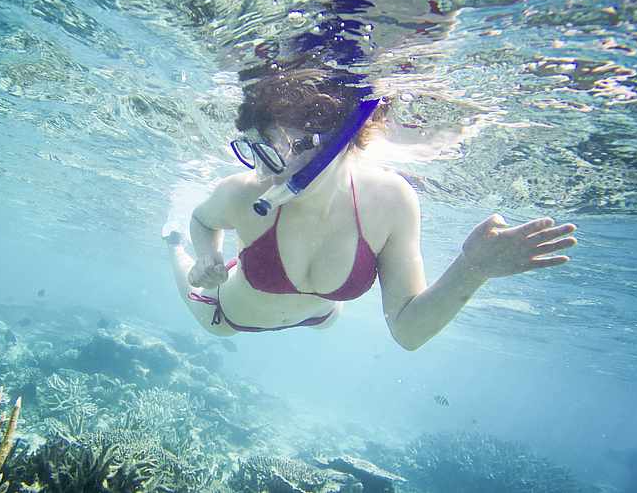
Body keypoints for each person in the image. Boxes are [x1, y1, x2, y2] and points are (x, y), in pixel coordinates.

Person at [163, 68, 577, 349]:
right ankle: (171, 247)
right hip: (225, 317)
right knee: (190, 271)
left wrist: (473, 269)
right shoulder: (243, 192)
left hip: (321, 317)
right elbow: (202, 218)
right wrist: (207, 254)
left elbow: (408, 332)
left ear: (334, 143)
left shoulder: (391, 201)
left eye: (276, 151)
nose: (264, 173)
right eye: (254, 150)